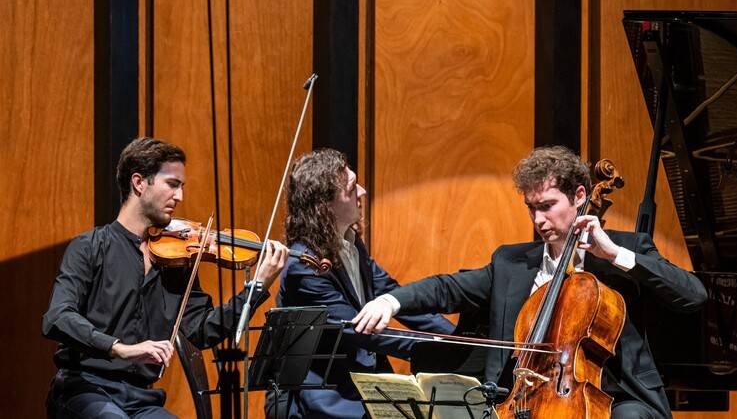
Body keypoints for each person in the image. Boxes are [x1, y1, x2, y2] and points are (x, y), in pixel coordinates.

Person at [352, 145, 708, 419]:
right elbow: (448, 288)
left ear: (581, 197)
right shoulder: (511, 262)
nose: (539, 219)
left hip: (620, 399)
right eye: (531, 208)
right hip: (526, 399)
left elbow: (693, 296)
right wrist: (390, 302)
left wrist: (614, 254)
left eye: (548, 206)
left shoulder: (626, 249)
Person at [43, 137, 289, 418]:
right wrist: (119, 348)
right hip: (85, 389)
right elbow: (57, 317)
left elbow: (202, 331)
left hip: (141, 399)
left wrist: (257, 287)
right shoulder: (90, 247)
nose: (180, 197)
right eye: (172, 184)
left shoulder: (178, 262)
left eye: (181, 187)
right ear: (139, 183)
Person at [266, 148, 455, 418]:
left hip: (362, 381)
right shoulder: (304, 268)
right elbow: (361, 331)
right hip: (328, 397)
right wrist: (436, 350)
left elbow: (394, 294)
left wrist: (456, 338)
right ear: (325, 206)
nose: (363, 192)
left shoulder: (350, 243)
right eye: (352, 187)